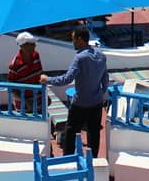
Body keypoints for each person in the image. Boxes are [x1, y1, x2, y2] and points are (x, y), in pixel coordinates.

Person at [41, 26, 109, 156]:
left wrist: (47, 79)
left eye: (73, 39)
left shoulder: (80, 58)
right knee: (94, 133)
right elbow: (105, 79)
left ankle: (68, 159)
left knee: (71, 132)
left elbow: (67, 79)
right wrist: (100, 94)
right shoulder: (101, 56)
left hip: (80, 104)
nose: (72, 42)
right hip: (96, 103)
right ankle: (93, 160)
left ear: (80, 39)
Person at [8, 32, 44, 113]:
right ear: (22, 46)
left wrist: (44, 94)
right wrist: (26, 102)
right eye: (31, 44)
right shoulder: (14, 65)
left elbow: (40, 75)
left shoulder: (36, 55)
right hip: (23, 105)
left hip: (38, 99)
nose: (35, 45)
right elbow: (12, 88)